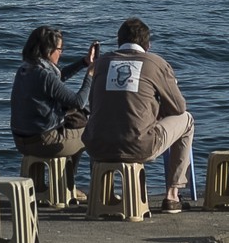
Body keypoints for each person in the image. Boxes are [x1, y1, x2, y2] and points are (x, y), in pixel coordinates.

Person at [83, 17, 195, 213]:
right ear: (148, 44)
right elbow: (178, 107)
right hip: (137, 146)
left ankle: (102, 192)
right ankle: (172, 195)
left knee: (104, 120)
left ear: (119, 41)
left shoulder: (101, 63)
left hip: (96, 145)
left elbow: (94, 106)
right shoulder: (155, 63)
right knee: (187, 120)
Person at [10, 25, 97, 162]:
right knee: (90, 132)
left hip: (21, 142)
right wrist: (90, 75)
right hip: (43, 142)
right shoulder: (44, 75)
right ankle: (68, 180)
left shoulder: (25, 69)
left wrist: (84, 62)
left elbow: (56, 79)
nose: (61, 53)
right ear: (48, 50)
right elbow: (79, 101)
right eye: (59, 49)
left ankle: (53, 180)